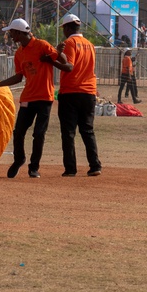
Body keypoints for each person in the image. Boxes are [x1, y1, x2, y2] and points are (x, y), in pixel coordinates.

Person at [0, 17, 72, 178]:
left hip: (44, 97)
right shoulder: (19, 53)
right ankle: (19, 160)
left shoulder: (41, 45)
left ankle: (34, 167)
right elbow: (18, 77)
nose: (10, 35)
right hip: (27, 98)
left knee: (39, 133)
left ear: (19, 32)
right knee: (19, 132)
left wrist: (58, 52)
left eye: (12, 32)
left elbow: (64, 61)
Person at [56, 14, 103, 177]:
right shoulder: (90, 45)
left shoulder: (70, 43)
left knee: (68, 132)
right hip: (89, 92)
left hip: (71, 91)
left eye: (64, 29)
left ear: (67, 28)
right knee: (87, 130)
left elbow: (68, 66)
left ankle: (71, 168)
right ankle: (95, 165)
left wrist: (54, 59)